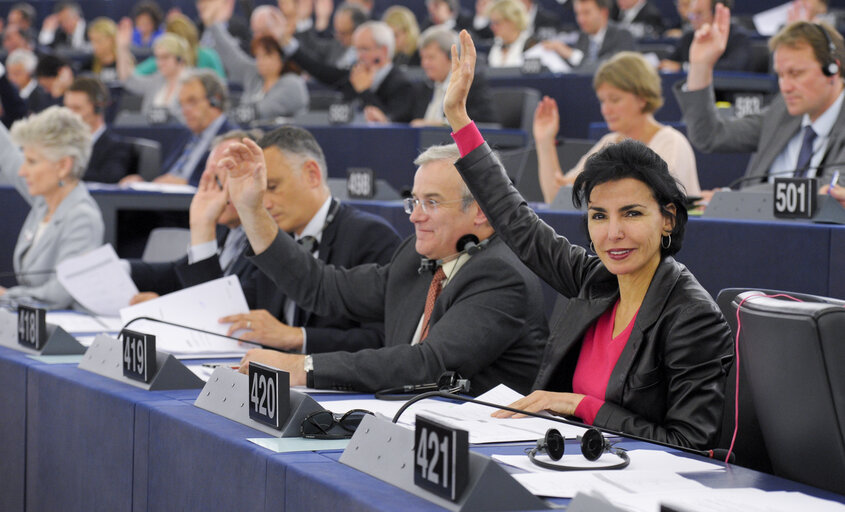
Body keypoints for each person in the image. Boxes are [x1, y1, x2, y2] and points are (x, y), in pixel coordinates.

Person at [444, 31, 733, 448]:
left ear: (668, 219)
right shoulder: (595, 279)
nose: (612, 232)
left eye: (631, 213)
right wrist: (458, 118)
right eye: (599, 216)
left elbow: (691, 443)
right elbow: (518, 223)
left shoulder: (692, 317)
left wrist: (581, 406)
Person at [220, 139, 547, 395]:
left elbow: (428, 364)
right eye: (414, 201)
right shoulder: (418, 257)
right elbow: (323, 287)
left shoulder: (501, 274)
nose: (415, 216)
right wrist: (252, 211)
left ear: (479, 211)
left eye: (431, 202)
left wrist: (303, 365)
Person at [184, 126, 401, 353]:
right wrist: (202, 229)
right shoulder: (273, 241)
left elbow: (385, 339)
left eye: (273, 187)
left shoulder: (370, 236)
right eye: (260, 191)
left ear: (312, 174)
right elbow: (223, 318)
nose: (265, 203)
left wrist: (298, 337)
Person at [674, 11, 845, 188]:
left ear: (832, 69)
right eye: (781, 75)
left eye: (796, 74)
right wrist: (700, 66)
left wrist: (738, 199)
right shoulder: (782, 113)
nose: (785, 87)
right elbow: (709, 135)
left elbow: (829, 193)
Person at [536, 52, 701, 204]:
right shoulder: (609, 142)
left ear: (642, 97)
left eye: (614, 100)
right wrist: (545, 141)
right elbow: (558, 199)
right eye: (602, 101)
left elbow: (649, 202)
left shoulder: (670, 142)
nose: (605, 110)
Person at [0, 106, 103, 309]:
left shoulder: (82, 217)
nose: (22, 171)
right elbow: (7, 155)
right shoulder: (44, 202)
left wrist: (6, 295)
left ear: (63, 166)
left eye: (31, 161)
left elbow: (60, 294)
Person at [280, 20, 416, 122]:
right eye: (356, 49)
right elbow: (320, 70)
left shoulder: (401, 85)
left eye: (364, 49)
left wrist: (364, 92)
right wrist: (288, 44)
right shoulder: (353, 76)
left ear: (383, 51)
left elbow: (391, 125)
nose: (359, 56)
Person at [125, 69, 239, 186]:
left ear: (215, 100)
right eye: (182, 104)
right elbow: (166, 176)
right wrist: (145, 183)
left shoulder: (232, 139)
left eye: (192, 101)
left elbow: (224, 186)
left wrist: (187, 184)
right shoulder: (186, 135)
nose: (185, 110)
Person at [199, 3, 309, 120]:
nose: (261, 61)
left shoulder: (293, 83)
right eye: (258, 56)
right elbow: (230, 53)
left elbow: (261, 111)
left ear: (281, 58)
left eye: (267, 55)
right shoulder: (253, 73)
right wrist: (212, 24)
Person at [405, 26, 498, 126]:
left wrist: (440, 124)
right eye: (423, 58)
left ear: (451, 57)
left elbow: (487, 122)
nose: (424, 64)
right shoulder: (423, 87)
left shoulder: (470, 84)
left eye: (430, 57)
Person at [63, 77, 134, 183]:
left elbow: (109, 178)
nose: (70, 115)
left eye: (77, 108)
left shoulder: (117, 147)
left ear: (98, 107)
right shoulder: (61, 143)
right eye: (67, 108)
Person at [541, 0, 635, 73]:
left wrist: (571, 54)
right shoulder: (583, 38)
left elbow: (610, 69)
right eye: (578, 14)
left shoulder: (622, 35)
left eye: (586, 13)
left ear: (603, 13)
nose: (581, 19)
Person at [117, 31, 190, 122]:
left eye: (165, 57)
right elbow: (128, 80)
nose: (160, 63)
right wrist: (122, 49)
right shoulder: (157, 80)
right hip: (151, 133)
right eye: (158, 58)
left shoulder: (192, 83)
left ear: (180, 59)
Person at [659, 0, 750, 72]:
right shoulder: (688, 38)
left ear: (718, 14)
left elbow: (733, 68)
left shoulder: (738, 37)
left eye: (699, 14)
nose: (693, 21)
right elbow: (669, 63)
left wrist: (684, 67)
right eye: (692, 15)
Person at [485, 0, 537, 68]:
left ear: (512, 21)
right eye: (491, 23)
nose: (492, 27)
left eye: (496, 22)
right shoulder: (495, 45)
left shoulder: (532, 45)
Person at [81, 17, 120, 83]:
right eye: (92, 41)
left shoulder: (124, 64)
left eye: (98, 41)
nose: (94, 46)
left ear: (111, 40)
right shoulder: (88, 67)